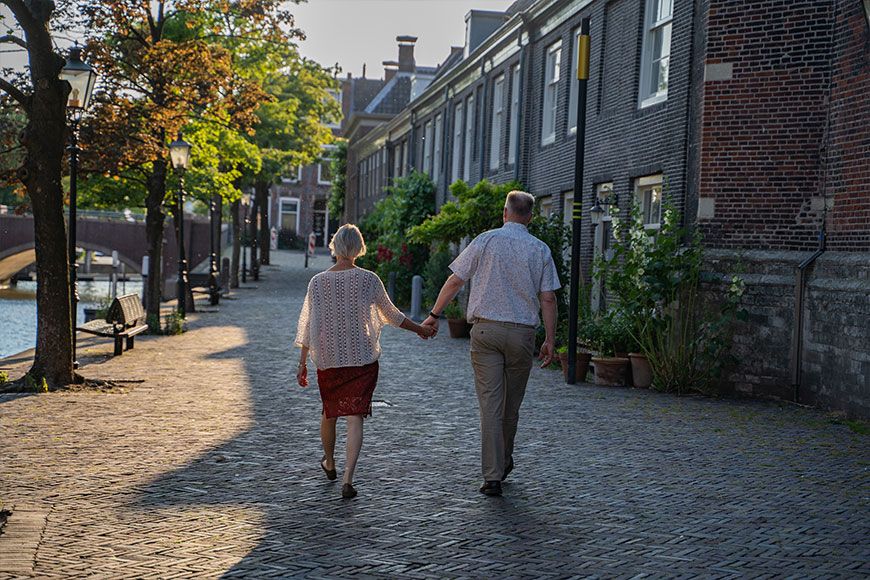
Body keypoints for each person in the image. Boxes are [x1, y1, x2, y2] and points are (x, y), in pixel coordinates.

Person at [422, 191, 559, 497]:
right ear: (531, 217)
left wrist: (434, 314)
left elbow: (456, 280)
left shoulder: (486, 240)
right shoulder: (540, 249)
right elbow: (548, 298)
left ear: (505, 212)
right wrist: (549, 340)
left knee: (490, 405)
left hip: (485, 333)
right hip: (522, 335)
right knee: (511, 407)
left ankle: (493, 475)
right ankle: (503, 461)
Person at [295, 224, 434, 499]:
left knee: (329, 412)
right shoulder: (369, 279)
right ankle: (348, 478)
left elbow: (309, 326)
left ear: (334, 246)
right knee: (355, 416)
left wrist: (302, 363)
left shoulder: (318, 282)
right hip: (361, 359)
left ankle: (330, 462)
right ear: (359, 248)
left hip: (329, 358)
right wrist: (421, 329)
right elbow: (393, 315)